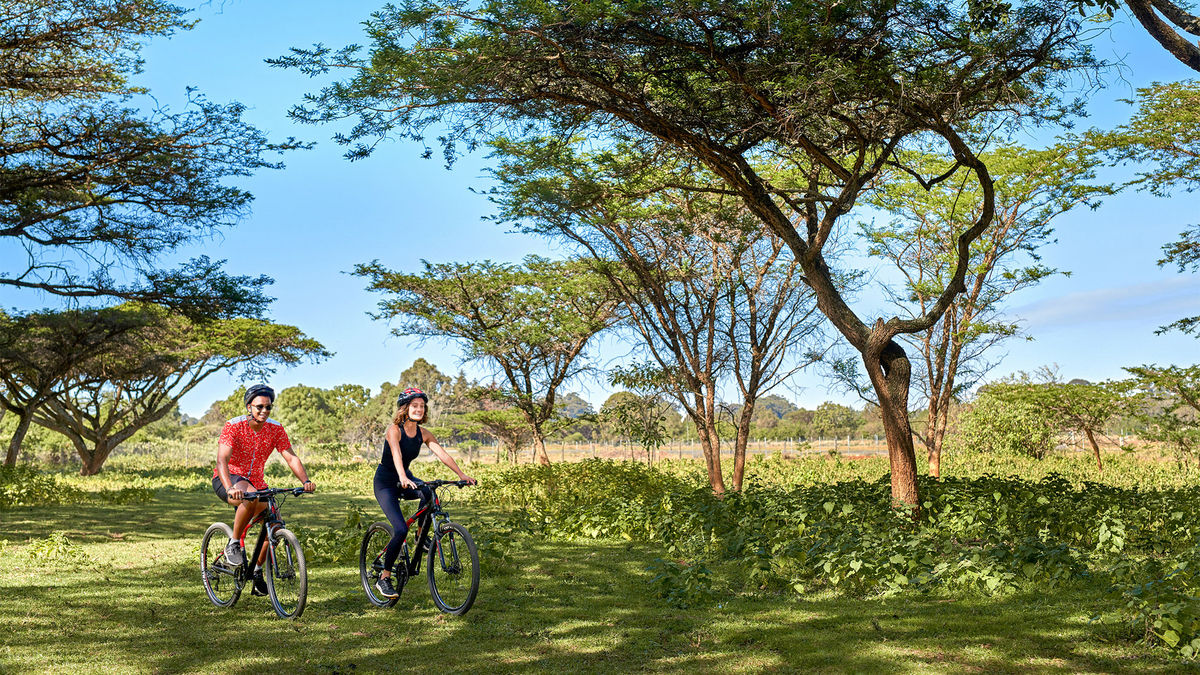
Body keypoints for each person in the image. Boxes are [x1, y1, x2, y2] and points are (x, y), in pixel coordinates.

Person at [213, 383, 315, 597]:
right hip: (229, 478)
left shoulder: (275, 428)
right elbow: (222, 460)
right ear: (249, 406)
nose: (264, 411)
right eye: (259, 406)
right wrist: (230, 487)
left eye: (268, 407)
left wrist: (305, 480)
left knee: (275, 525)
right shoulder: (234, 425)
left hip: (257, 483)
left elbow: (290, 456)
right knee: (249, 498)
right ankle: (233, 544)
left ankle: (257, 571)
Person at [373, 386, 475, 599]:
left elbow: (443, 455)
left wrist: (461, 474)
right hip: (386, 482)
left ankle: (421, 535)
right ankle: (384, 578)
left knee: (429, 492)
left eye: (422, 406)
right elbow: (396, 455)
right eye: (415, 406)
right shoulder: (394, 430)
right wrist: (402, 477)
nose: (419, 409)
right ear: (405, 408)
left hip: (406, 478)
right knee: (400, 530)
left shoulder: (424, 433)